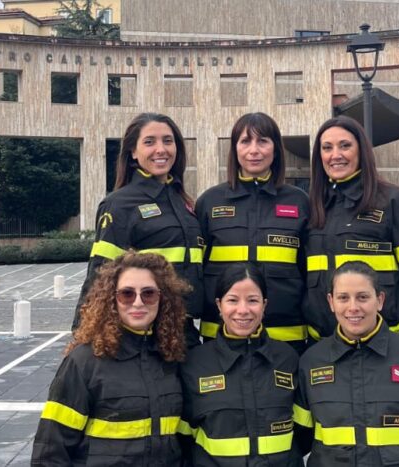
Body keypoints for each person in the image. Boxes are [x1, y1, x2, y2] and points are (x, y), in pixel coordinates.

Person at [294, 261, 399, 466]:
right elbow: (295, 441)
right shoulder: (311, 362)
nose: (353, 307)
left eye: (363, 297)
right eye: (343, 298)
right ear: (331, 302)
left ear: (380, 300)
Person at [32, 251, 189, 466]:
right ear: (111, 299)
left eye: (148, 293)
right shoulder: (84, 362)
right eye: (127, 294)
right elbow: (50, 452)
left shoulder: (173, 356)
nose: (138, 302)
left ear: (163, 298)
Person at [305, 116, 399, 349]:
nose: (335, 154)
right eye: (327, 148)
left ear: (362, 151)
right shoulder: (312, 207)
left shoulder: (394, 202)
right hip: (324, 347)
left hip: (387, 346)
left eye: (345, 145)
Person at [71, 113, 203, 347]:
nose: (161, 149)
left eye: (168, 141)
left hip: (184, 332)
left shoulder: (184, 202)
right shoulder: (119, 204)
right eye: (150, 142)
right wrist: (82, 339)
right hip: (144, 336)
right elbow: (100, 274)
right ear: (133, 152)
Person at [195, 113, 309, 352]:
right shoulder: (209, 202)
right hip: (220, 335)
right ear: (234, 149)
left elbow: (310, 272)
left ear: (276, 149)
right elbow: (197, 270)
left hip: (285, 337)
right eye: (245, 141)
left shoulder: (300, 202)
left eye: (263, 141)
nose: (254, 150)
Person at [178, 263, 304, 466]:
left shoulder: (288, 359)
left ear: (264, 304)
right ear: (219, 305)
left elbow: (303, 432)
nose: (243, 310)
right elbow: (183, 437)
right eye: (232, 300)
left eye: (252, 300)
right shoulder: (195, 364)